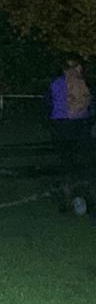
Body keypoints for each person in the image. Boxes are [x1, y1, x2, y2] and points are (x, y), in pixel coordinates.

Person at [47, 58, 93, 211]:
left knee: (75, 163)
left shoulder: (78, 83)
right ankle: (71, 199)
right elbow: (69, 108)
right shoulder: (64, 83)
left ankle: (78, 198)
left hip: (71, 125)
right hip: (68, 125)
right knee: (71, 163)